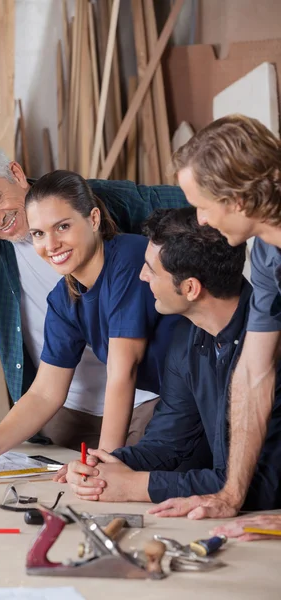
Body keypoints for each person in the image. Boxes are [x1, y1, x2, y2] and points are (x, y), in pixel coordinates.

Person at [0, 144, 188, 451]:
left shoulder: (121, 249)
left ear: (16, 173)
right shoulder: (62, 299)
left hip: (149, 399)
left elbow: (201, 201)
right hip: (67, 405)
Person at [65, 207, 281, 513]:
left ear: (190, 288)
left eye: (151, 271)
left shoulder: (268, 345)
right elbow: (169, 443)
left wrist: (134, 487)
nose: (141, 276)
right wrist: (103, 466)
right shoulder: (187, 337)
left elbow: (263, 485)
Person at [147, 114, 281, 526]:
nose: (201, 220)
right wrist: (230, 495)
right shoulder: (266, 256)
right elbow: (254, 373)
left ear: (237, 200)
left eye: (203, 206)